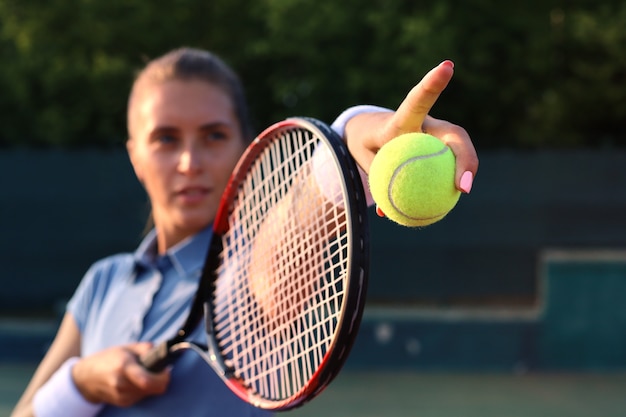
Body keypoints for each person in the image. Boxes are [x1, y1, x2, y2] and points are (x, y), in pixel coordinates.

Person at [11, 47, 478, 417]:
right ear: (135, 155)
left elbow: (277, 266)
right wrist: (79, 383)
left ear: (242, 144)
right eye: (166, 139)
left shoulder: (246, 271)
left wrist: (349, 141)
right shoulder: (103, 282)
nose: (190, 162)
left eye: (213, 135)